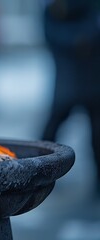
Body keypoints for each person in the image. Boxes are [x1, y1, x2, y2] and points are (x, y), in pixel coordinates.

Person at [42, 0, 100, 193]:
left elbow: (91, 33)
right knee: (50, 134)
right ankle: (39, 175)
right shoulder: (54, 10)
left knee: (96, 136)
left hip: (90, 82)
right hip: (69, 82)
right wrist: (79, 39)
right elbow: (54, 36)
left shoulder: (87, 8)